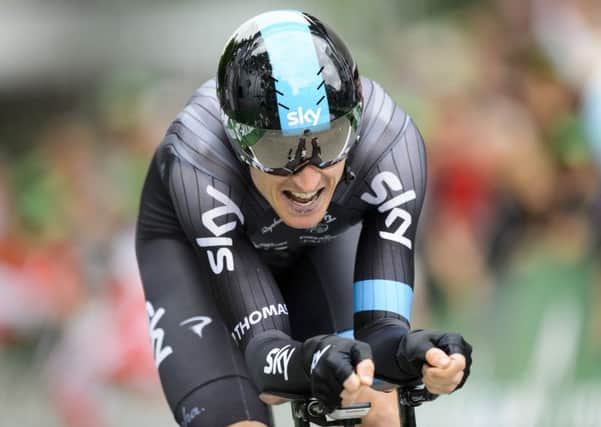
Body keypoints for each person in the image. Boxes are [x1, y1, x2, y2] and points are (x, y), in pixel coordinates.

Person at [136, 10, 472, 427]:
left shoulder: (392, 145)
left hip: (319, 243)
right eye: (280, 151)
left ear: (354, 123)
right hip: (196, 262)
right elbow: (264, 361)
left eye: (329, 141)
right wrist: (312, 361)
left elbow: (381, 334)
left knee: (378, 409)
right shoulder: (200, 159)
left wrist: (412, 354)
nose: (308, 178)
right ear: (238, 140)